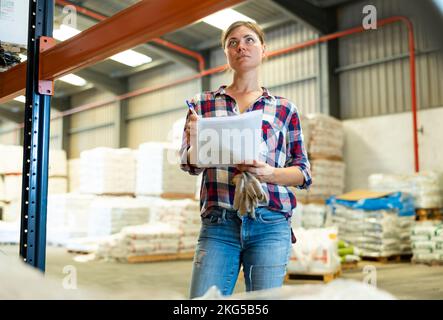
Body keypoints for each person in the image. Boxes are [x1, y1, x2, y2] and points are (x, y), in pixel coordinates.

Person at [180, 21, 312, 299]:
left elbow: (302, 172)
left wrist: (269, 174)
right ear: (226, 53)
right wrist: (196, 142)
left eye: (249, 40)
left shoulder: (284, 108)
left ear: (264, 50)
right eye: (233, 42)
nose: (241, 46)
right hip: (219, 223)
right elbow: (190, 163)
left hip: (270, 222)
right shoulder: (201, 103)